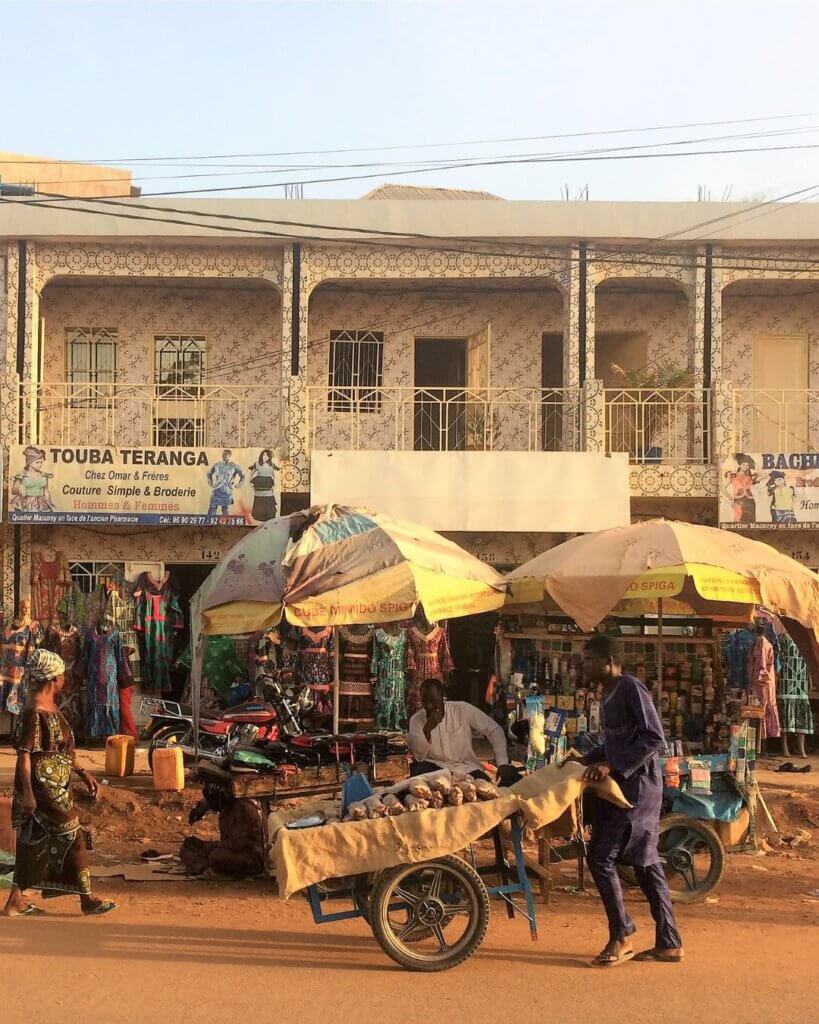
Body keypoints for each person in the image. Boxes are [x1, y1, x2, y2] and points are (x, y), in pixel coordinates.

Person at [569, 635, 683, 967]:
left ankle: (621, 935)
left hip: (638, 791)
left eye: (589, 660)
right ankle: (670, 942)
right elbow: (613, 744)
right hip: (620, 789)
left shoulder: (631, 688)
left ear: (610, 659)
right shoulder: (607, 696)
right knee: (647, 866)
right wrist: (586, 759)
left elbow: (654, 736)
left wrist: (612, 766)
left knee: (601, 857)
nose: (585, 666)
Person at [1, 649, 117, 917]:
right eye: (62, 675)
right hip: (42, 787)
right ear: (52, 679)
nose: (65, 679)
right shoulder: (33, 711)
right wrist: (29, 794)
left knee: (31, 842)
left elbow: (63, 752)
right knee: (72, 833)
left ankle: (14, 901)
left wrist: (84, 773)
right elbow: (25, 756)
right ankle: (87, 899)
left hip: (58, 785)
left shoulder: (52, 707)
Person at [407, 678, 519, 784]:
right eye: (425, 702)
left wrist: (502, 763)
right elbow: (418, 756)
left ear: (443, 697)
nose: (429, 706)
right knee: (416, 771)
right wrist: (427, 729)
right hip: (435, 768)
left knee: (486, 782)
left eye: (433, 701)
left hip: (465, 767)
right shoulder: (416, 719)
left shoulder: (462, 709)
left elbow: (494, 730)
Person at [180, 783, 265, 878]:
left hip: (250, 858)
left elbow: (238, 845)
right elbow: (207, 801)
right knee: (187, 847)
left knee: (216, 856)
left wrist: (209, 846)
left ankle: (206, 869)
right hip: (231, 850)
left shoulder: (243, 809)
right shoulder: (225, 805)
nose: (211, 808)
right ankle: (206, 869)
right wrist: (200, 809)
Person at [9, 445, 54, 514]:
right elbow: (14, 491)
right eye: (37, 462)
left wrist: (49, 502)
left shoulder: (44, 475)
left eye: (41, 462)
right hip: (25, 503)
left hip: (40, 503)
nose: (40, 465)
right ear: (29, 462)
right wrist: (20, 489)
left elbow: (46, 491)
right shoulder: (22, 475)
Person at [206, 449, 245, 517]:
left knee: (225, 511)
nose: (223, 455)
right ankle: (209, 525)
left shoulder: (234, 466)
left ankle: (225, 526)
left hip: (226, 491)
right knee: (212, 510)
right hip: (217, 490)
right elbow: (209, 473)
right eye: (222, 454)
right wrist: (211, 483)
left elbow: (243, 475)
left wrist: (239, 484)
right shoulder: (217, 465)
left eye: (225, 454)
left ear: (229, 455)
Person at [248, 448, 279, 522]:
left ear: (269, 457)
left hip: (268, 483)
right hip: (258, 483)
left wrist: (275, 485)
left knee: (268, 498)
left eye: (267, 456)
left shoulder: (272, 465)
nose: (265, 457)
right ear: (261, 456)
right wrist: (250, 483)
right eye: (264, 455)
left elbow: (275, 475)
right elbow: (251, 473)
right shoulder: (257, 464)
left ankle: (269, 515)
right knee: (258, 499)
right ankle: (258, 516)